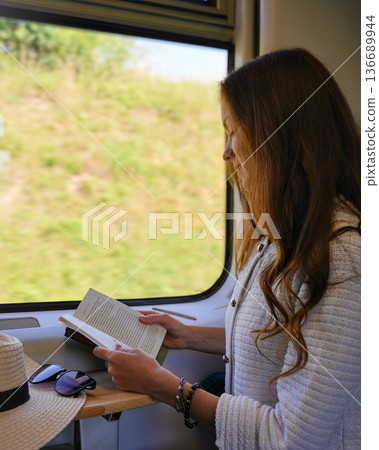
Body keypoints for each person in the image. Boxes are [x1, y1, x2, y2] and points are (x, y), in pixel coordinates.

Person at [94, 48, 360, 449]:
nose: (226, 151)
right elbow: (280, 339)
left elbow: (292, 441)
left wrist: (166, 387)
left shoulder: (343, 260)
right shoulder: (283, 235)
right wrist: (189, 336)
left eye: (235, 130)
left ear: (280, 138)